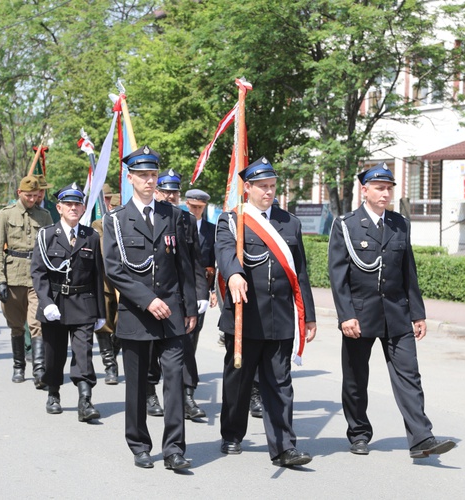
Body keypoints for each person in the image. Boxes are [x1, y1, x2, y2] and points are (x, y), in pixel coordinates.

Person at [327, 162, 456, 459]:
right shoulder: (346, 224)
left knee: (409, 375)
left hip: (396, 312)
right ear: (365, 191)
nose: (385, 194)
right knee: (356, 378)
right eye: (379, 188)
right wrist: (346, 315)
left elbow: (407, 270)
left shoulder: (399, 223)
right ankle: (358, 432)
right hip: (360, 314)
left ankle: (422, 437)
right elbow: (338, 276)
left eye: (389, 189)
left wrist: (417, 313)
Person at [215, 157, 317, 467]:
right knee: (239, 381)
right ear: (247, 188)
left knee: (280, 384)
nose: (269, 192)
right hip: (246, 316)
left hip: (280, 319)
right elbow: (224, 252)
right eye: (263, 187)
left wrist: (308, 316)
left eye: (272, 186)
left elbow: (300, 274)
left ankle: (284, 447)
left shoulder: (290, 223)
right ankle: (232, 434)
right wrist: (233, 274)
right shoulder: (232, 220)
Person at [103, 145, 197, 470]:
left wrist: (191, 308)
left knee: (174, 380)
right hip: (136, 315)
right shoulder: (115, 219)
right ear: (130, 178)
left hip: (171, 313)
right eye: (142, 175)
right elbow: (114, 269)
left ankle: (174, 449)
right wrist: (147, 299)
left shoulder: (172, 214)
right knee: (139, 383)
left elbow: (185, 264)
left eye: (153, 175)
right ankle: (140, 444)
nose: (149, 181)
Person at [31, 183, 105, 421]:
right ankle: (53, 393)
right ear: (59, 207)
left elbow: (97, 274)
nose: (74, 208)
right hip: (55, 303)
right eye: (69, 204)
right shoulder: (47, 235)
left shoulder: (91, 236)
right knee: (54, 355)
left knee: (84, 353)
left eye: (78, 204)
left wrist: (101, 312)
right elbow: (38, 273)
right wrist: (46, 302)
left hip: (84, 302)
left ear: (83, 208)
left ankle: (85, 400)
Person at [148, 170, 209, 420]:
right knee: (151, 348)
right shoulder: (148, 217)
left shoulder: (186, 219)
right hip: (153, 295)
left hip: (181, 296)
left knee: (184, 348)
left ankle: (186, 396)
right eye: (166, 191)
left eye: (174, 191)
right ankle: (150, 392)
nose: (171, 195)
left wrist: (201, 293)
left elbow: (195, 261)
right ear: (157, 192)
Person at [0, 175, 53, 385]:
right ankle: (19, 366)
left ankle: (39, 371)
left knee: (37, 324)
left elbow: (51, 247)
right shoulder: (6, 214)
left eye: (36, 196)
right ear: (19, 193)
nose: (32, 199)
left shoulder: (44, 215)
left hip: (37, 276)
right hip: (13, 277)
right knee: (16, 325)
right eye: (28, 195)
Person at [91, 187, 122, 384]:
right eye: (112, 205)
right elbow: (101, 249)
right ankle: (110, 366)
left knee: (122, 325)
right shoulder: (98, 225)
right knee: (104, 325)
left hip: (123, 283)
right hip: (103, 281)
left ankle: (114, 350)